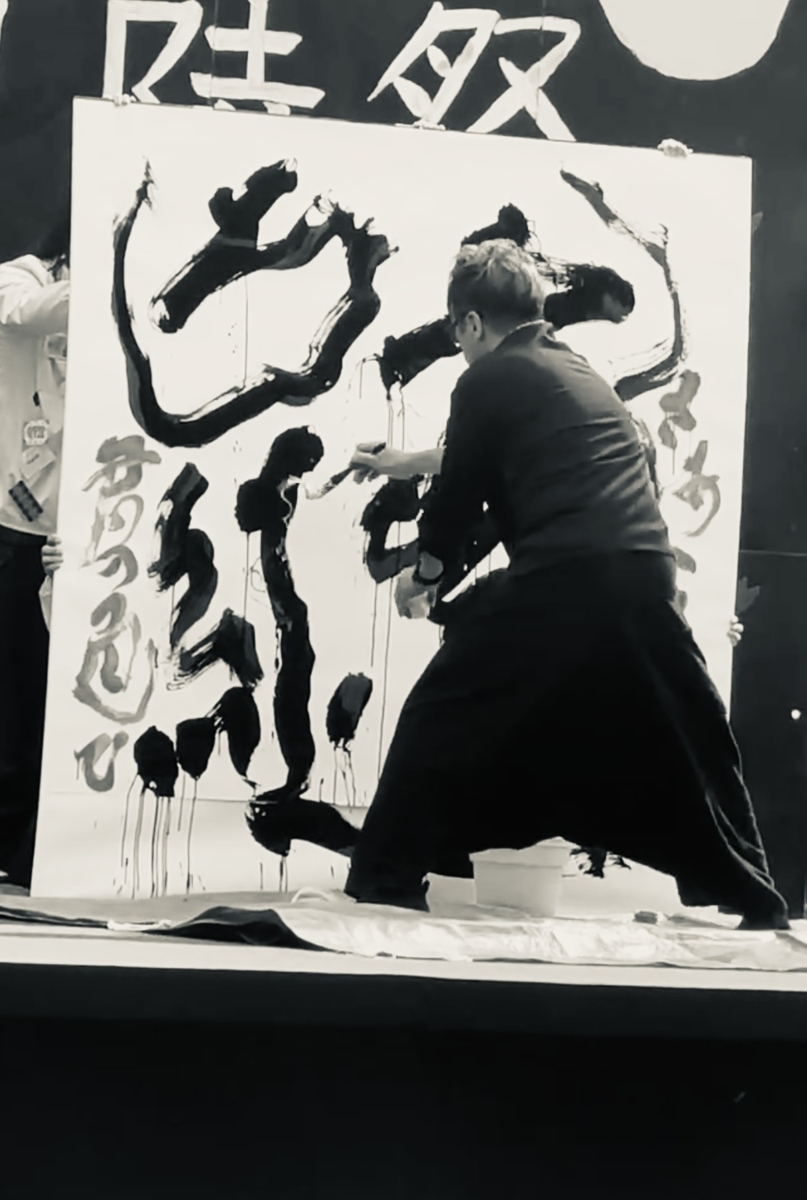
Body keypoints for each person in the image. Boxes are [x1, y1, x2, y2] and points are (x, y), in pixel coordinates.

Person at [342, 239, 787, 929]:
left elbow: (458, 497)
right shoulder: (575, 372)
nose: (459, 347)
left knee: (442, 715)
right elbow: (497, 451)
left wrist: (423, 577)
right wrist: (401, 462)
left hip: (567, 574)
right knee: (686, 731)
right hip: (642, 572)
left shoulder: (486, 379)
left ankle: (385, 879)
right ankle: (754, 897)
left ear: (470, 323)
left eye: (457, 333)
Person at [0, 212, 70, 887]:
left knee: (52, 701)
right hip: (10, 529)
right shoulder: (18, 279)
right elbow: (25, 314)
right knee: (12, 699)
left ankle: (30, 853)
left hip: (74, 536)